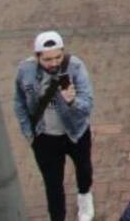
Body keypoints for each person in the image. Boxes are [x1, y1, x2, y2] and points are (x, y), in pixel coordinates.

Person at [12, 31, 95, 221]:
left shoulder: (75, 67)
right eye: (47, 59)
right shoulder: (25, 71)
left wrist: (73, 101)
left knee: (83, 168)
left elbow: (88, 105)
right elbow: (19, 103)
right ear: (37, 56)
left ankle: (84, 196)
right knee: (52, 184)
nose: (54, 63)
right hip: (45, 137)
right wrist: (29, 132)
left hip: (76, 132)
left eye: (58, 57)